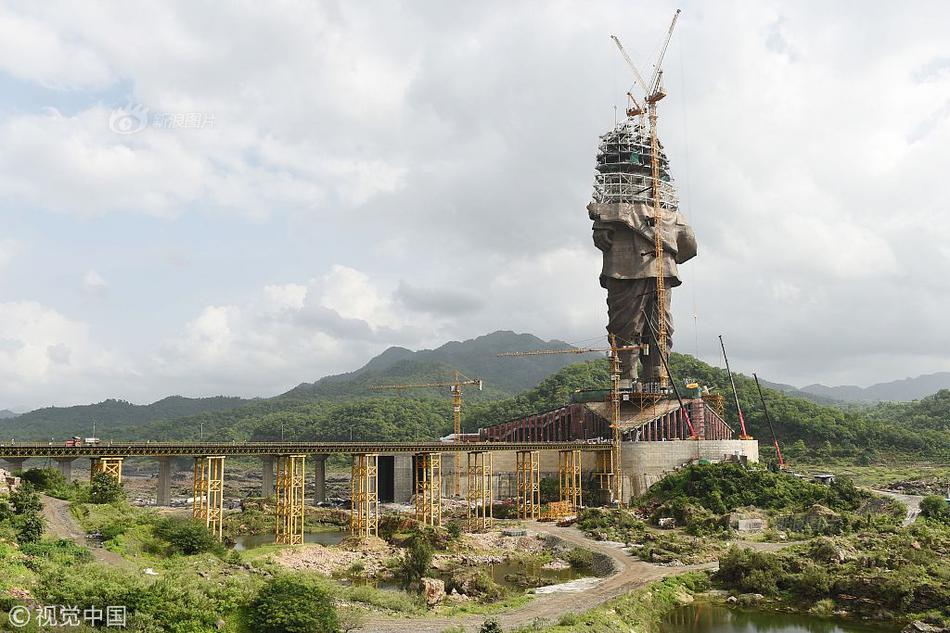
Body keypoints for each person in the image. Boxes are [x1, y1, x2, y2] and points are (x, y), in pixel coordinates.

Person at [588, 200, 697, 386]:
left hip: (634, 270)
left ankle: (636, 375)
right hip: (644, 269)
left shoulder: (610, 211)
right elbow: (689, 246)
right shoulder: (672, 214)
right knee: (654, 326)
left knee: (637, 325)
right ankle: (644, 374)